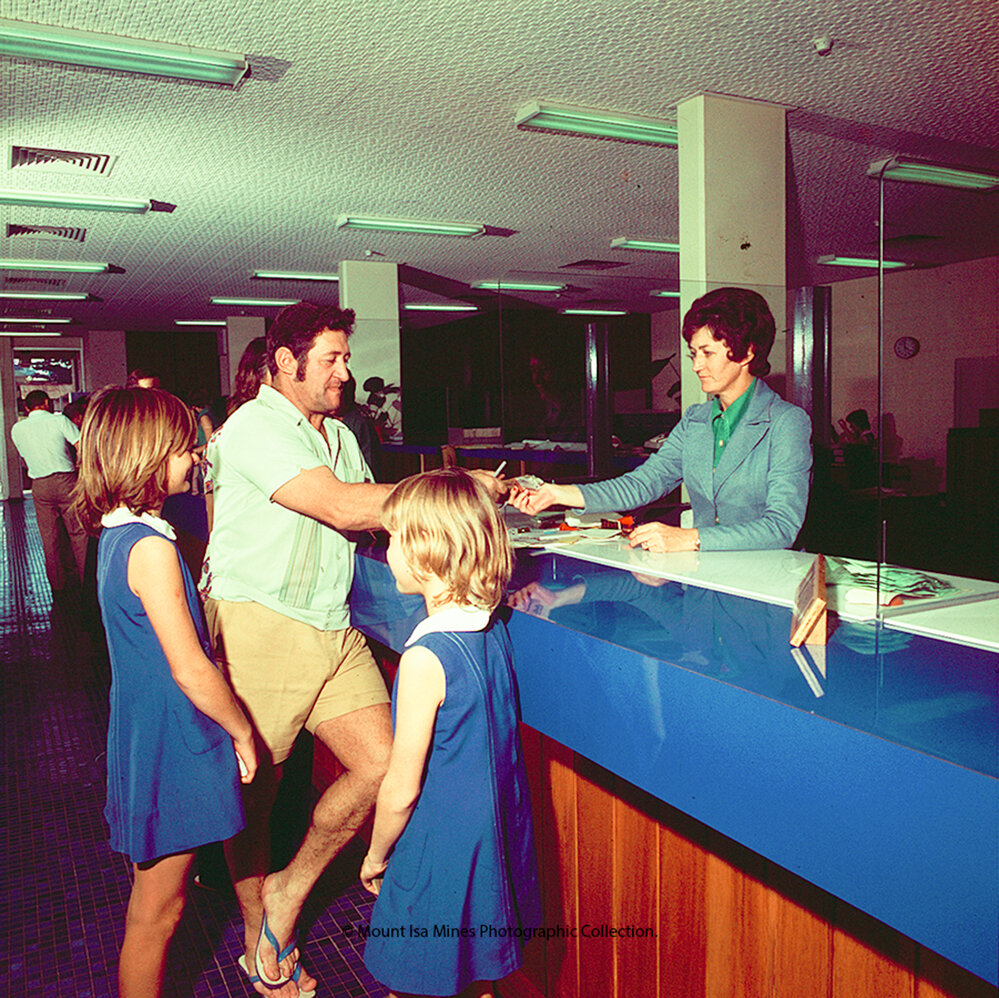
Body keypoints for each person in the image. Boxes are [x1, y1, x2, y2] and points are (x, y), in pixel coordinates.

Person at [72, 387, 258, 998]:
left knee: (158, 905)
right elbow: (191, 668)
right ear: (147, 455)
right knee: (157, 912)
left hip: (145, 729)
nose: (196, 456)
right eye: (185, 447)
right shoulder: (149, 548)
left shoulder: (121, 536)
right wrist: (241, 730)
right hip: (171, 741)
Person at [361, 468, 541, 998]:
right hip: (492, 839)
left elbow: (401, 788)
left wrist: (374, 854)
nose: (388, 549)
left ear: (427, 551)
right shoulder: (493, 628)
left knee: (412, 982)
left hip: (439, 850)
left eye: (394, 538)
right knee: (472, 975)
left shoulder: (425, 657)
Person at [512, 287, 812, 553]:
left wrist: (690, 538)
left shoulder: (787, 423)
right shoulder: (695, 420)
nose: (696, 365)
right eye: (694, 353)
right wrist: (556, 493)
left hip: (767, 574)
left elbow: (781, 527)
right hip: (708, 573)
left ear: (747, 353)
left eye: (707, 353)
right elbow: (642, 484)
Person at [10, 389, 89, 593]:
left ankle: (57, 587)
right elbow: (82, 445)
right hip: (66, 481)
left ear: (27, 408)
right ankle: (85, 582)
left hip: (39, 485)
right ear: (46, 402)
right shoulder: (58, 421)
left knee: (49, 538)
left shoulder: (17, 429)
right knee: (78, 534)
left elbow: (25, 458)